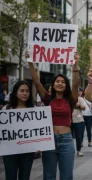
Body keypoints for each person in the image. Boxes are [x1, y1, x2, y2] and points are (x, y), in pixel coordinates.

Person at [28, 52, 80, 180]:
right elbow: (36, 82)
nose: (60, 83)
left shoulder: (71, 99)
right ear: (53, 84)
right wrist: (30, 61)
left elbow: (75, 84)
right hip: (49, 141)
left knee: (67, 176)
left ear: (66, 85)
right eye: (57, 81)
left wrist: (75, 64)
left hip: (67, 141)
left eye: (63, 82)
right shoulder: (47, 99)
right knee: (49, 176)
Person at [2, 81, 37, 180]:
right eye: (22, 91)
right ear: (15, 92)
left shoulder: (34, 110)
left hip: (27, 151)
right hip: (9, 151)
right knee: (10, 176)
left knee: (25, 177)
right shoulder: (7, 109)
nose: (25, 93)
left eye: (27, 91)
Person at [71, 89, 86, 156]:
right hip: (70, 120)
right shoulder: (68, 98)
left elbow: (84, 107)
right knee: (69, 137)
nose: (78, 92)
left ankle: (78, 150)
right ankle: (71, 150)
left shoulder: (80, 99)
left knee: (78, 136)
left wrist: (78, 105)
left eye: (79, 91)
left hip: (79, 120)